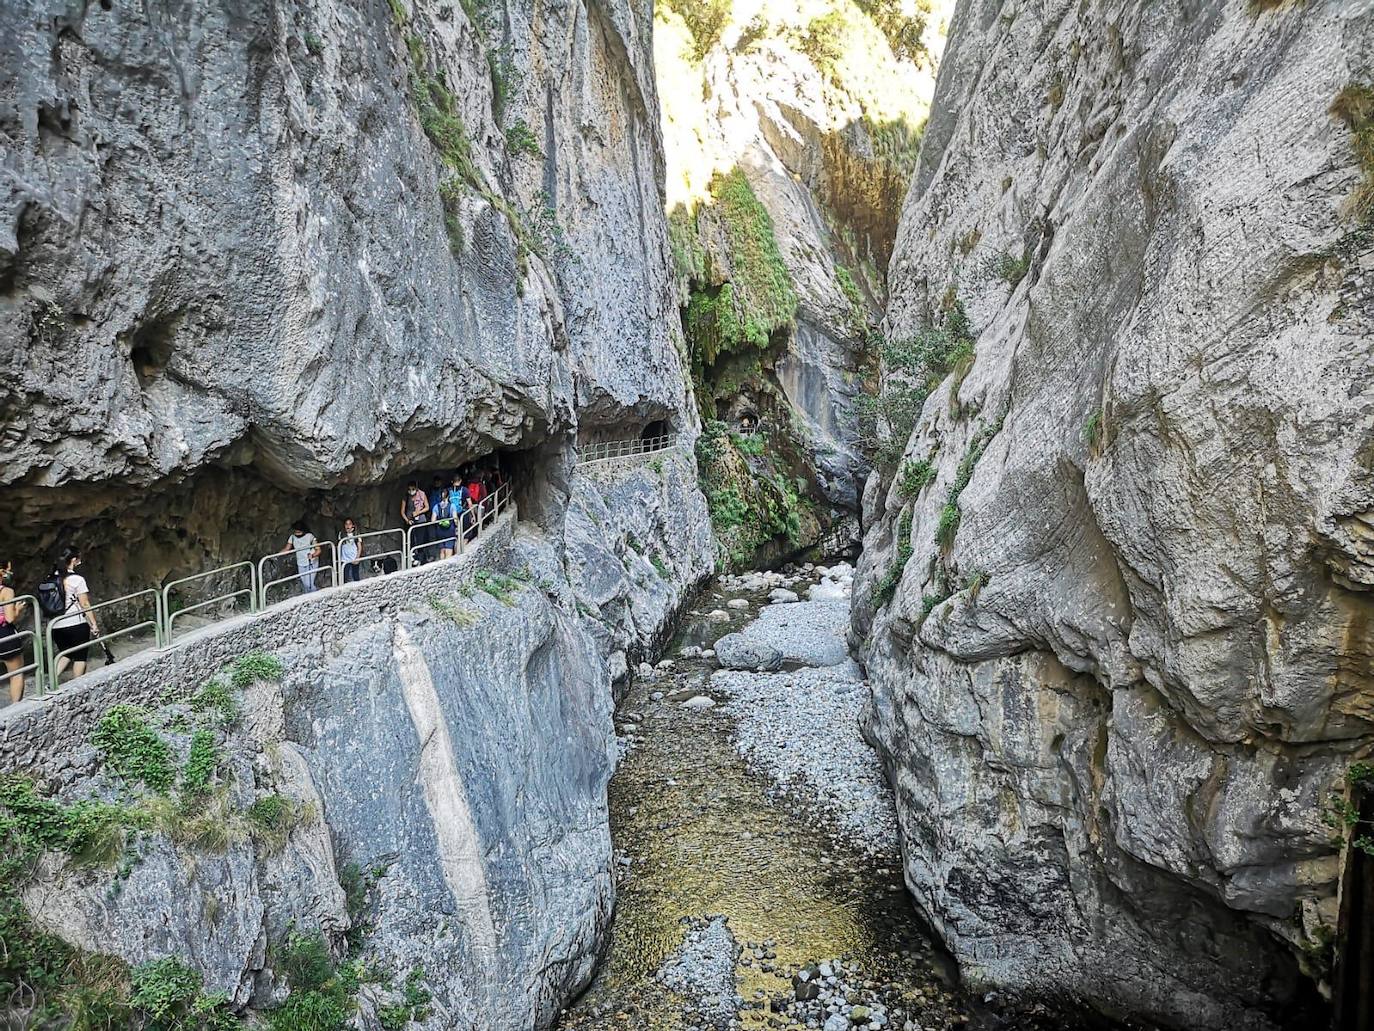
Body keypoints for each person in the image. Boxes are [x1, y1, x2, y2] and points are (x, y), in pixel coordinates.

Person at [50, 546, 98, 683]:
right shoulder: (77, 579)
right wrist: (94, 624)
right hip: (76, 624)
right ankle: (78, 686)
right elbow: (85, 604)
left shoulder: (50, 579)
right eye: (79, 559)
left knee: (66, 653)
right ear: (73, 560)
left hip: (55, 625)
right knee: (80, 656)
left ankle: (50, 683)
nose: (80, 562)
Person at [0, 561, 28, 702]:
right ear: (2, 571)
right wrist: (18, 609)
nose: (10, 573)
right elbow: (10, 618)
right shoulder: (6, 591)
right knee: (16, 674)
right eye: (8, 570)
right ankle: (15, 709)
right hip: (5, 634)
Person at [281, 522, 321, 593]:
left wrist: (313, 555)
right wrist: (276, 555)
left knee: (309, 584)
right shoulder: (292, 537)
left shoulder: (310, 536)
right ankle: (308, 598)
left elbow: (318, 549)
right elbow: (287, 549)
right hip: (300, 563)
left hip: (311, 562)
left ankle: (316, 597)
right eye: (296, 532)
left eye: (299, 532)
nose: (297, 534)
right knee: (305, 584)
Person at [400, 481, 430, 563]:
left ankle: (421, 559)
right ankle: (412, 558)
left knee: (420, 540)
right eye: (409, 489)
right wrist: (407, 520)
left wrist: (418, 512)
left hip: (420, 520)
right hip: (410, 521)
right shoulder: (406, 497)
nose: (411, 491)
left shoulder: (422, 494)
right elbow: (402, 511)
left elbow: (427, 507)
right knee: (411, 540)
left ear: (416, 488)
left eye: (413, 489)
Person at [339, 518, 364, 584]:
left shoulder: (356, 534)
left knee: (355, 575)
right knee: (345, 576)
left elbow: (359, 547)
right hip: (344, 559)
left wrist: (357, 558)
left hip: (354, 558)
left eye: (350, 524)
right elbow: (340, 546)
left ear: (353, 525)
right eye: (346, 524)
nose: (348, 526)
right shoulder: (341, 534)